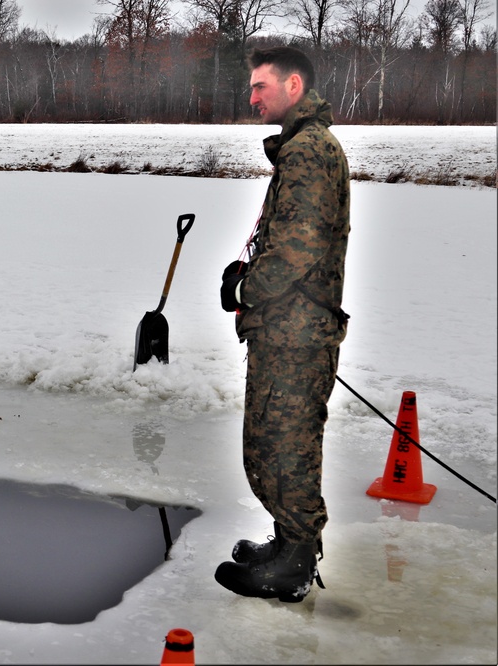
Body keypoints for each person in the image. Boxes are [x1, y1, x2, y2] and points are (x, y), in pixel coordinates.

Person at [214, 46, 350, 602]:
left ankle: (294, 561)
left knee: (286, 445)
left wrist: (247, 287)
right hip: (286, 330)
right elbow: (291, 236)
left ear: (293, 86)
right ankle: (287, 539)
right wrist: (249, 272)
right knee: (271, 442)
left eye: (260, 86)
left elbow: (300, 247)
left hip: (297, 335)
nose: (252, 97)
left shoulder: (309, 152)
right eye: (251, 87)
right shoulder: (301, 146)